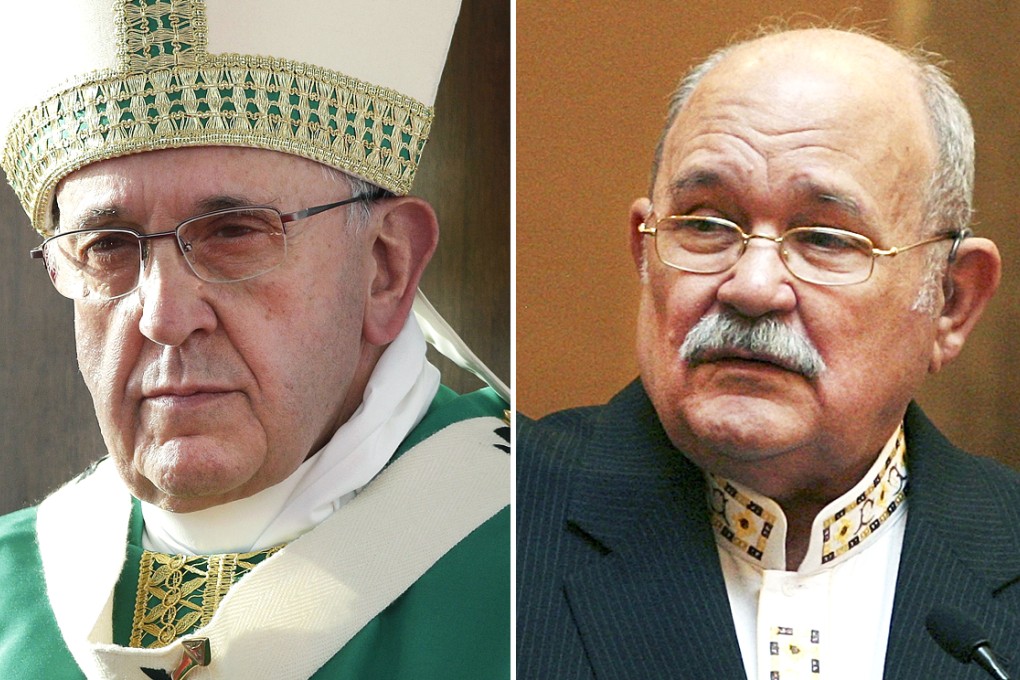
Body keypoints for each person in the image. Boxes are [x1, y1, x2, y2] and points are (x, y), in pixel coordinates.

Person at [0, 1, 509, 678]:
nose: (163, 317)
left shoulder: (539, 550)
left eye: (233, 233)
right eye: (109, 247)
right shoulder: (14, 597)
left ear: (386, 268)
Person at [517, 27, 1020, 679]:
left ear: (951, 301)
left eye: (826, 239)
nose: (751, 287)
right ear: (644, 252)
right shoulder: (497, 523)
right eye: (703, 224)